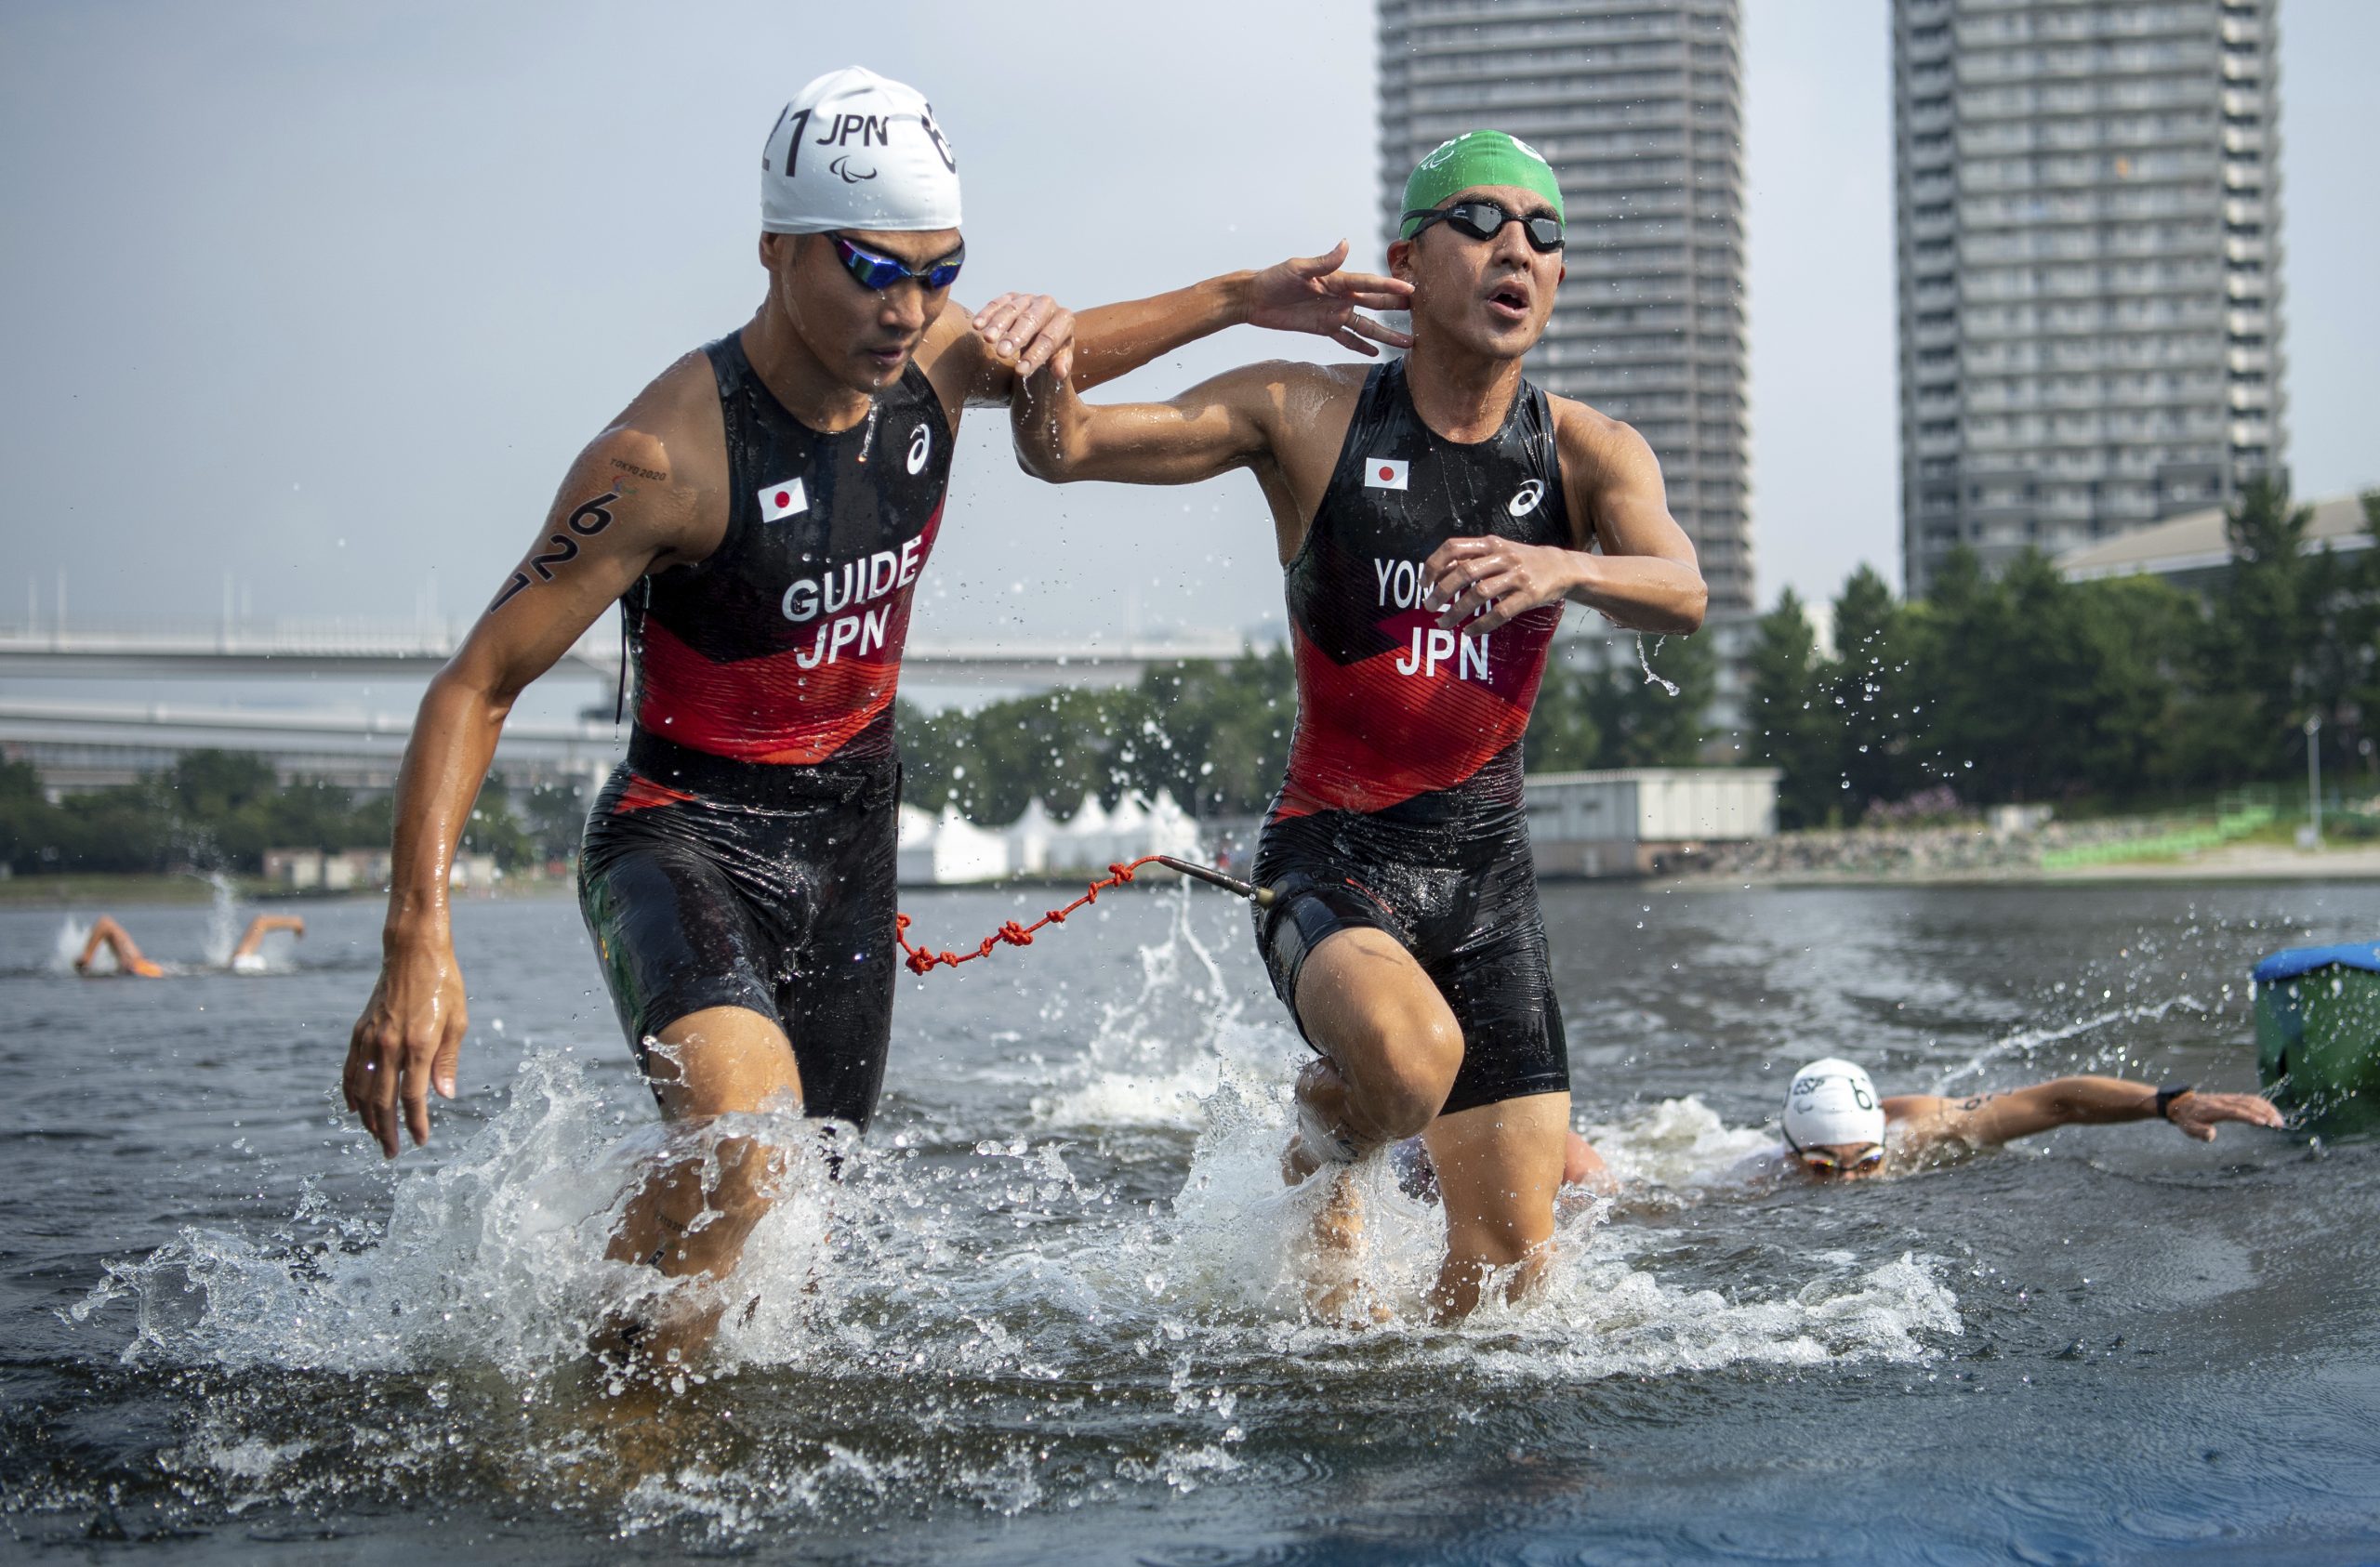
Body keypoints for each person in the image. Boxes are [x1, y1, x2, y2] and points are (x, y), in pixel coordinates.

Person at [337, 65, 1414, 1362]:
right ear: (778, 249)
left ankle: (628, 1376)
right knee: (748, 1149)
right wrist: (417, 933)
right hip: (683, 836)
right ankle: (599, 1403)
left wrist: (1247, 297)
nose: (909, 310)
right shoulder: (666, 457)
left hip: (846, 842)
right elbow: (479, 681)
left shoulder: (927, 364)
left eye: (940, 270)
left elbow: (1063, 348)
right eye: (872, 269)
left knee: (795, 1228)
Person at [1010, 128, 1707, 1318]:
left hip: (1488, 882)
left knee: (1509, 1289)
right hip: (1334, 862)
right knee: (1406, 1066)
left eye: (1545, 234)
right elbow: (1059, 447)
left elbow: (1682, 590)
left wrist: (1562, 569)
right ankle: (1323, 1137)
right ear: (1408, 259)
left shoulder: (1587, 451)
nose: (1518, 251)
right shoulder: (1309, 416)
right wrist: (1194, 312)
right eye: (1482, 223)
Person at [1765, 1056, 2284, 1181]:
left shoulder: (1921, 1130)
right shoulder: (1757, 1171)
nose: (1850, 1181)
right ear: (1791, 1156)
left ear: (1883, 1134)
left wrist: (2170, 1103)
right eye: (1823, 1169)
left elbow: (2057, 1101)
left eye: (1867, 1161)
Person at [73, 912, 304, 977]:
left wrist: (87, 957)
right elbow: (106, 925)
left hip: (235, 970)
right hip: (223, 970)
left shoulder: (133, 962)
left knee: (244, 949)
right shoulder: (134, 963)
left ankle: (290, 921)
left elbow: (106, 923)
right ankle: (289, 921)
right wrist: (87, 957)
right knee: (253, 933)